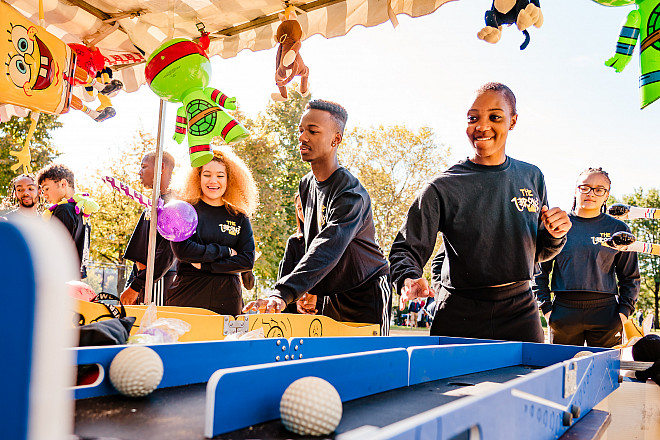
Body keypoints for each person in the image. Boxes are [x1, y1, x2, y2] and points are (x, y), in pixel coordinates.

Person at [389, 82, 572, 343]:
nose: (482, 126)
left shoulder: (533, 177)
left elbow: (539, 252)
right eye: (473, 118)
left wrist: (555, 235)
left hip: (521, 313)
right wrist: (408, 277)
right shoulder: (442, 187)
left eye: (495, 117)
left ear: (513, 121)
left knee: (530, 383)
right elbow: (406, 248)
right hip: (459, 314)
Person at [244, 99, 392, 335]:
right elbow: (310, 242)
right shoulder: (306, 185)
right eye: (301, 130)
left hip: (365, 292)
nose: (303, 137)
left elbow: (329, 244)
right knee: (330, 363)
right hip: (329, 295)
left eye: (313, 131)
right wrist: (306, 288)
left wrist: (284, 292)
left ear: (336, 139)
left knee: (370, 366)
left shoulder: (350, 193)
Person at [533, 168, 640, 348]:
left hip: (606, 313)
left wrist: (623, 312)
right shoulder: (557, 224)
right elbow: (539, 270)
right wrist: (547, 309)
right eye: (585, 187)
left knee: (604, 373)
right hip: (563, 311)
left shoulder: (618, 229)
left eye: (599, 189)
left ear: (607, 195)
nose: (591, 193)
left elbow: (630, 276)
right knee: (562, 371)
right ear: (576, 190)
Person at [166, 146, 258, 315]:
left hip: (228, 300)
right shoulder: (184, 211)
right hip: (187, 296)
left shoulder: (239, 217)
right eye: (207, 175)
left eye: (220, 176)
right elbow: (184, 251)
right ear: (197, 178)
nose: (213, 181)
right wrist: (227, 251)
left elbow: (246, 260)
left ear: (230, 180)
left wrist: (205, 265)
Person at [120, 151, 178, 305]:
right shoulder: (154, 202)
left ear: (161, 167)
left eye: (144, 167)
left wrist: (137, 285)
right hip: (142, 279)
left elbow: (167, 254)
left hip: (158, 280)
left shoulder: (173, 205)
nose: (139, 172)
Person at [37, 164, 91, 278]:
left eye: (46, 188)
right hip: (74, 278)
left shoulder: (63, 209)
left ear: (63, 184)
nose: (44, 194)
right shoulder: (82, 210)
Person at [279, 192, 315, 314]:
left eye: (306, 207)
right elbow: (283, 281)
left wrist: (316, 299)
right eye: (299, 208)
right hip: (295, 315)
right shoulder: (294, 242)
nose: (303, 212)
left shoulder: (332, 240)